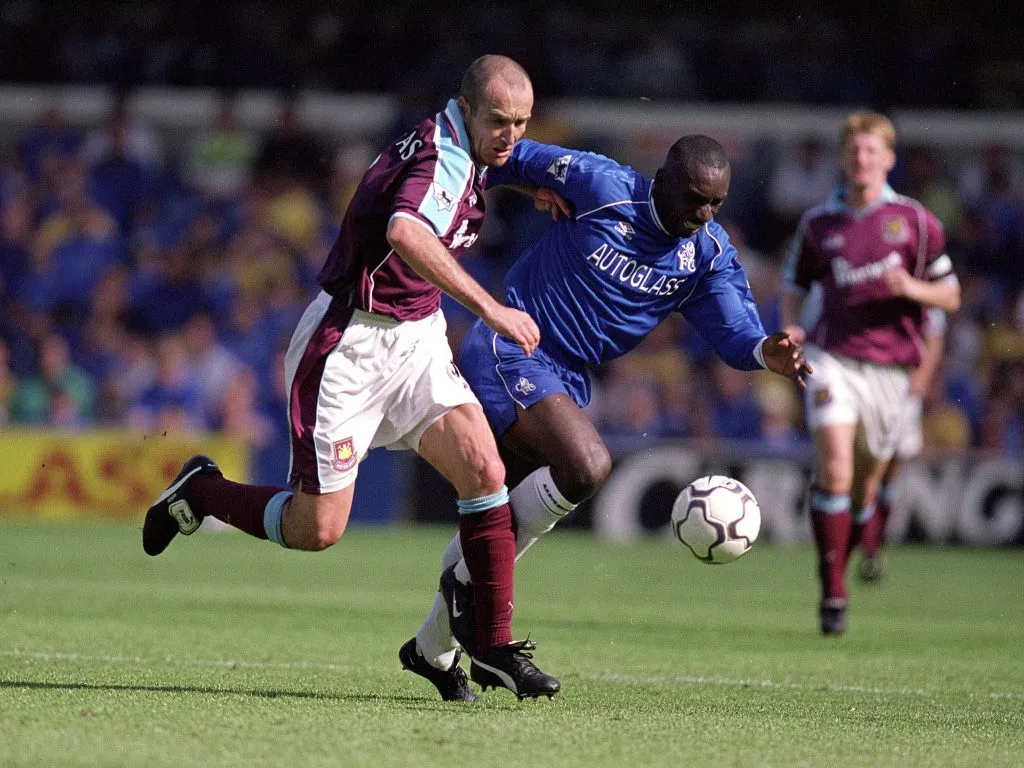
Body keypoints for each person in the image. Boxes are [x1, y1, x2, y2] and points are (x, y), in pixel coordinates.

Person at [141, 55, 561, 702]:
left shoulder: (462, 144)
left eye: (522, 123)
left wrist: (520, 183)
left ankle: (493, 645)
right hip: (349, 345)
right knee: (318, 530)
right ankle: (202, 492)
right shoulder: (439, 160)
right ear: (468, 109)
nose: (512, 136)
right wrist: (491, 308)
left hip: (415, 340)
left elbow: (470, 179)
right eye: (501, 122)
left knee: (485, 472)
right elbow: (406, 230)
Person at [406, 134, 813, 680]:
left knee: (496, 519)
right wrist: (520, 189)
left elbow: (735, 333)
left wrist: (767, 352)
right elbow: (498, 155)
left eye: (716, 202)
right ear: (662, 178)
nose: (704, 213)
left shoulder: (707, 256)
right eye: (695, 198)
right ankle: (471, 597)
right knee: (588, 465)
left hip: (566, 380)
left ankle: (432, 650)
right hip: (513, 344)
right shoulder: (601, 184)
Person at [779, 110, 961, 636]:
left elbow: (949, 294)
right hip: (833, 357)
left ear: (888, 159)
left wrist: (912, 289)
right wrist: (792, 326)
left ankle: (865, 537)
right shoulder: (819, 224)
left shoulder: (916, 222)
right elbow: (794, 282)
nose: (862, 160)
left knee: (866, 485)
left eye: (871, 151)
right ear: (844, 157)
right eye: (854, 151)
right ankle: (832, 589)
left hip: (892, 370)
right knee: (835, 468)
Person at [856, 307, 946, 583]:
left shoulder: (920, 283)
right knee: (869, 471)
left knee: (890, 473)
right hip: (868, 384)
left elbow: (934, 335)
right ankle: (869, 548)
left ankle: (875, 545)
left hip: (904, 389)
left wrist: (923, 376)